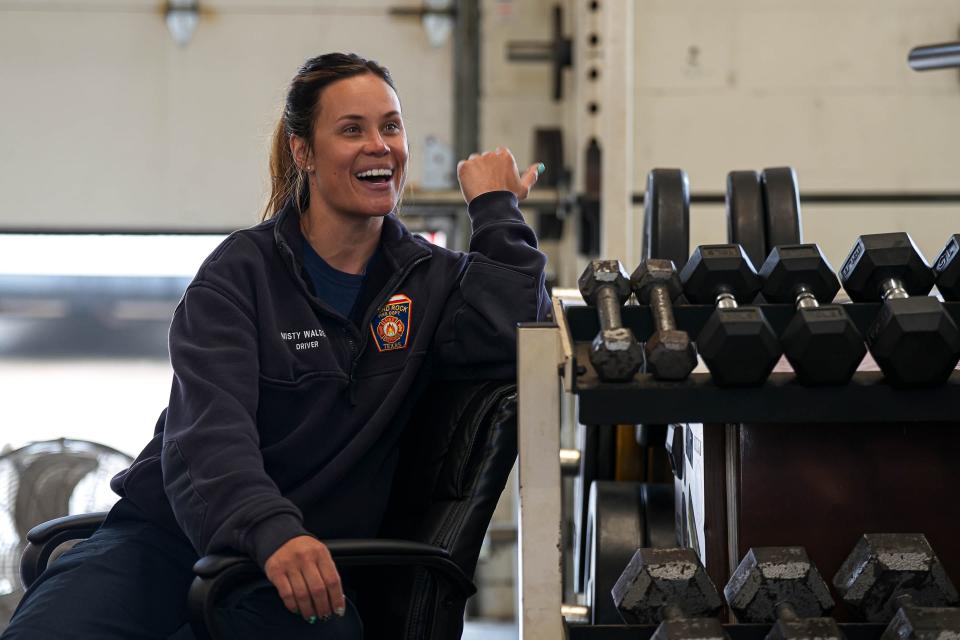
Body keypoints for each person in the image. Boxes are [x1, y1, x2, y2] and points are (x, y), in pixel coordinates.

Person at [2, 52, 549, 639]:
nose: (379, 145)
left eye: (391, 126)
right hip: (169, 538)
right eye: (351, 129)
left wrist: (496, 209)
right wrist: (270, 529)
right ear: (303, 152)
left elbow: (518, 334)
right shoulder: (240, 275)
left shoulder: (430, 281)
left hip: (311, 568)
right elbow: (212, 435)